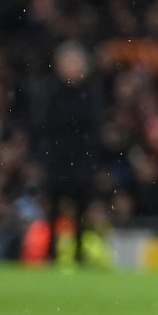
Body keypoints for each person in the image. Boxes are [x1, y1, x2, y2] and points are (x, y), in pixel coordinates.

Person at [33, 40, 105, 267]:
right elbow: (44, 125)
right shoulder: (52, 93)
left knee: (82, 209)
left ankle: (80, 253)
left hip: (82, 160)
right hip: (58, 160)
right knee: (54, 209)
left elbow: (95, 127)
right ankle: (52, 253)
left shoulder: (91, 94)